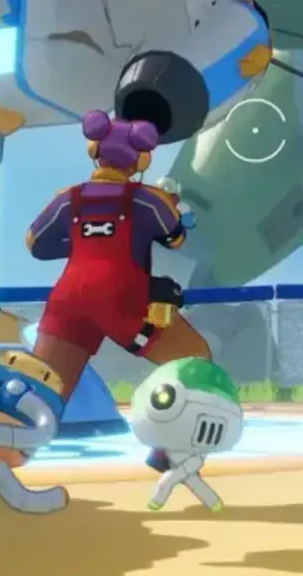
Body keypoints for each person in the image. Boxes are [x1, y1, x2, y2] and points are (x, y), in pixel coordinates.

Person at [27, 111, 211, 397]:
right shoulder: (148, 201)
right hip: (122, 302)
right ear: (140, 160)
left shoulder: (68, 198)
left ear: (95, 151)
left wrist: (83, 244)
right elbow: (174, 239)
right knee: (196, 362)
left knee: (43, 393)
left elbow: (35, 243)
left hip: (68, 301)